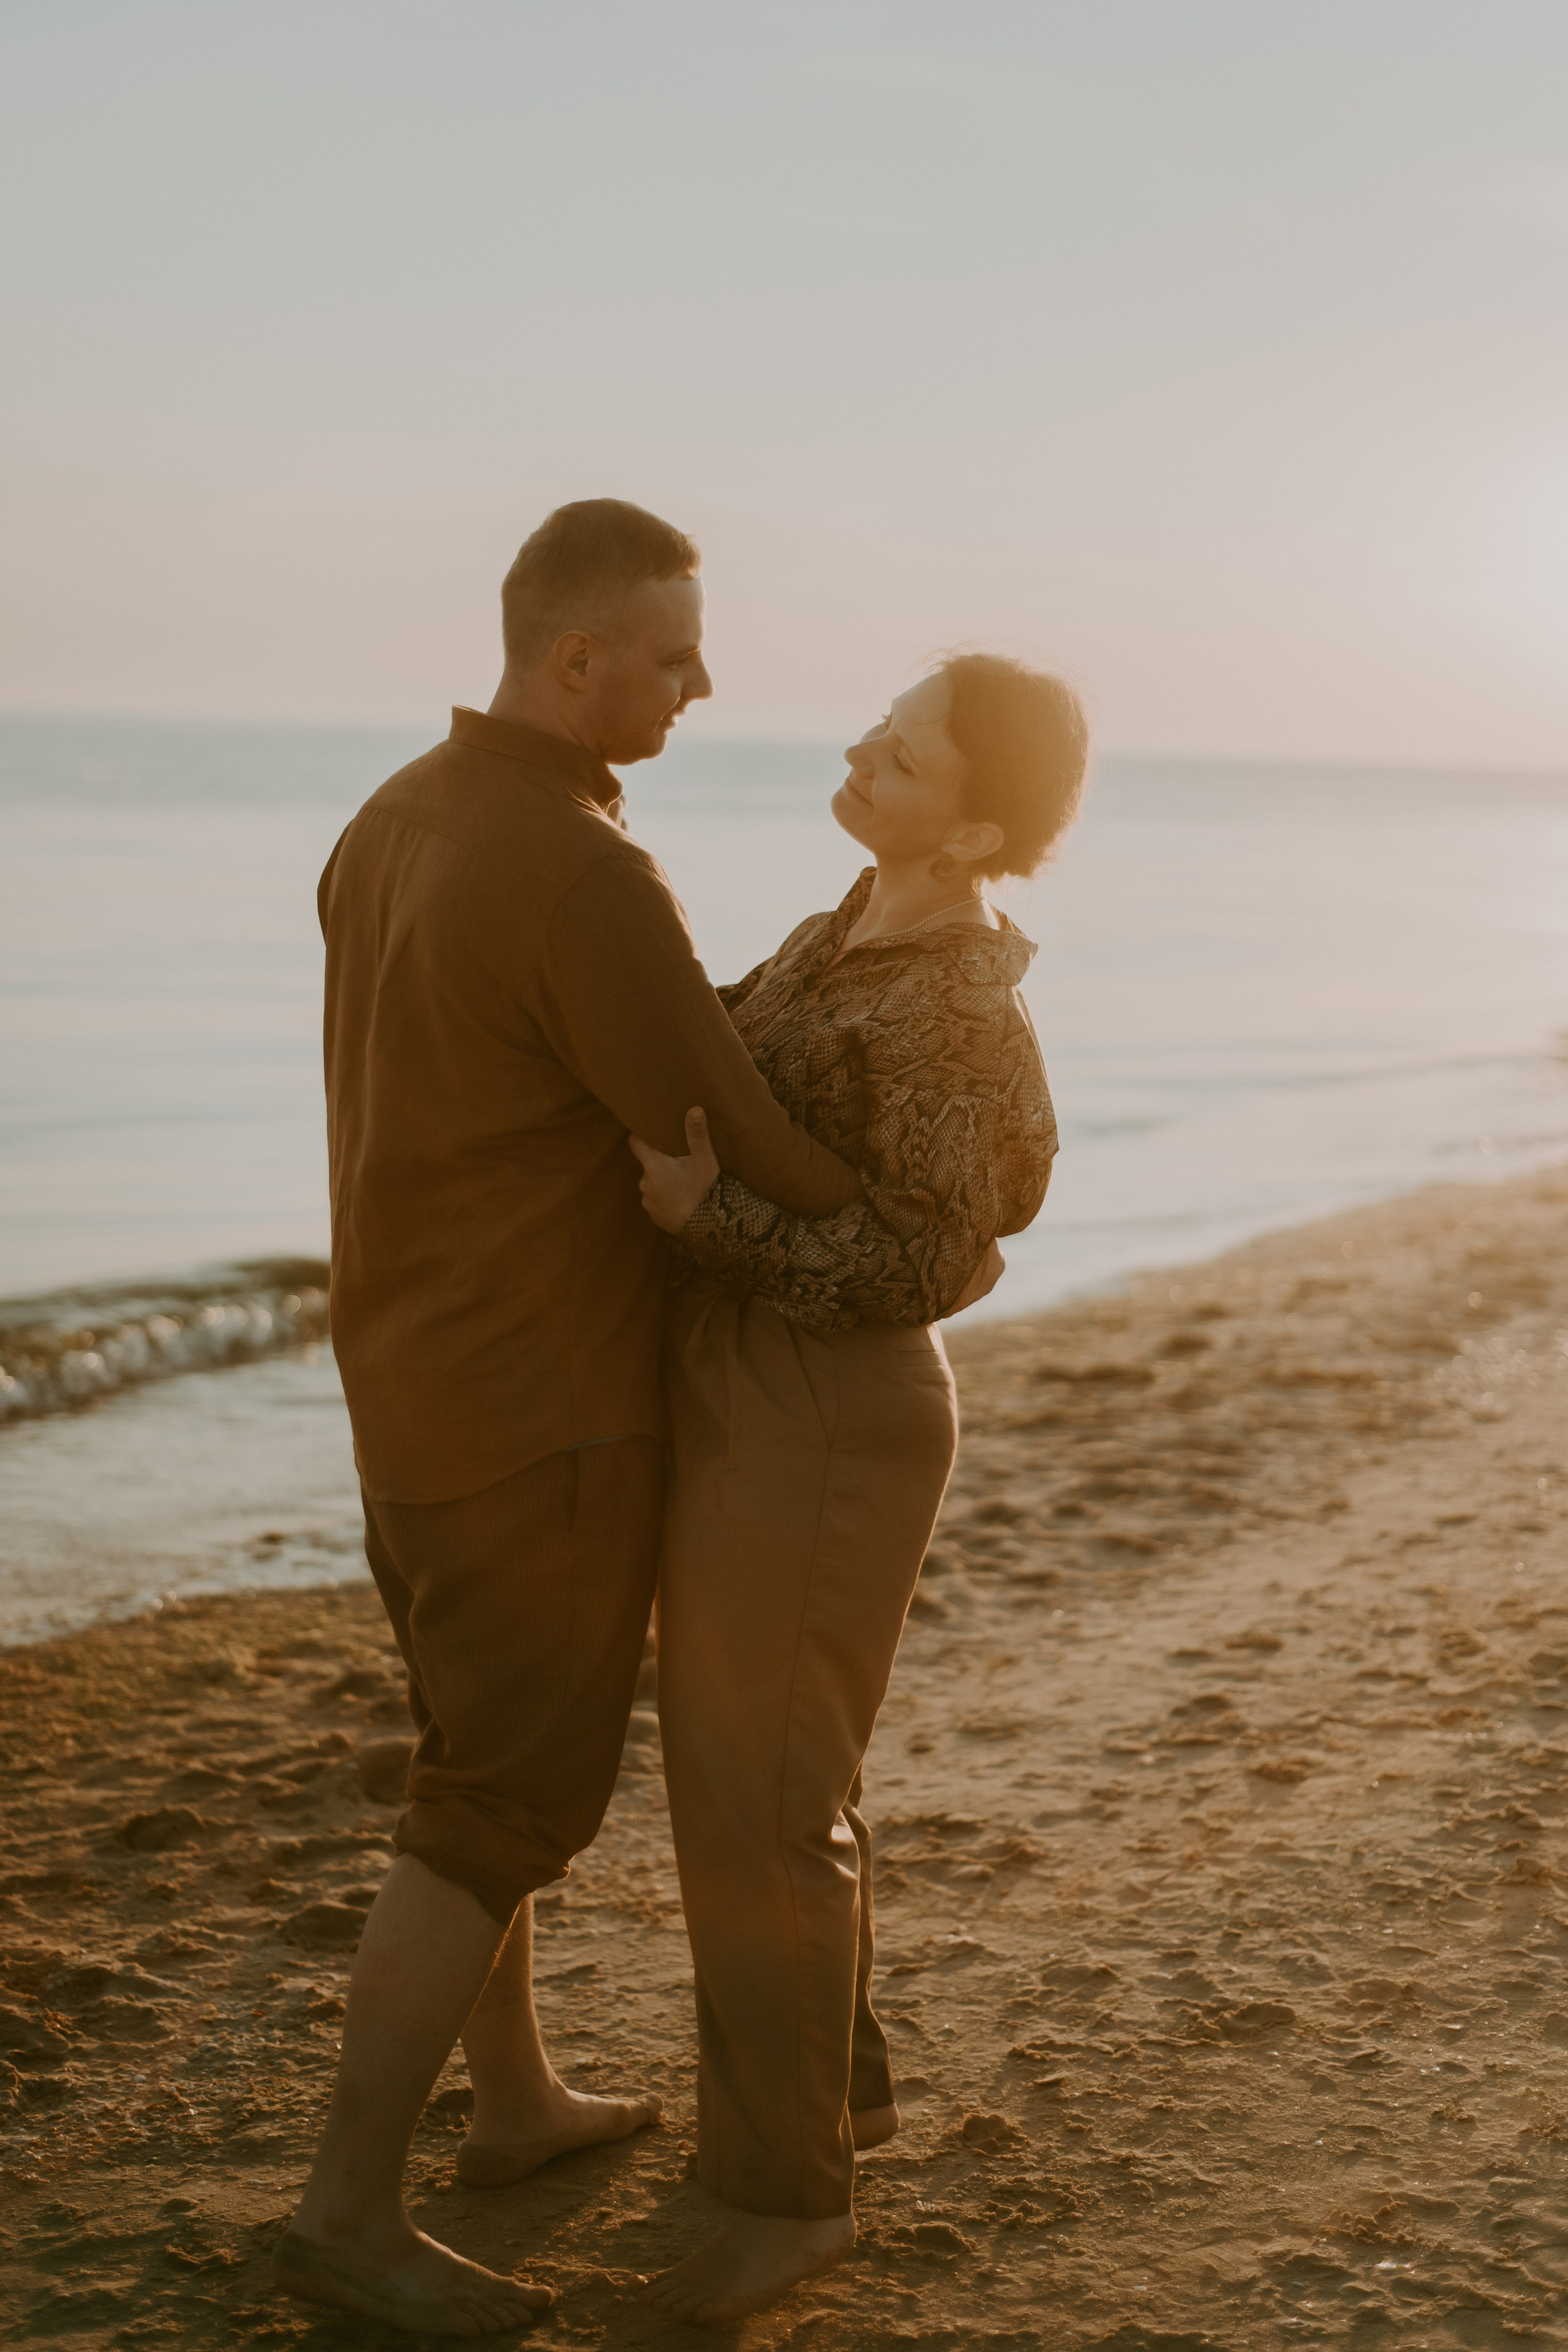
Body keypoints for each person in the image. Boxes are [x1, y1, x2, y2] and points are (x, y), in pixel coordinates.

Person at [274, 500, 872, 2336]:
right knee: (502, 1801)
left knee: (470, 1754)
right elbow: (723, 1133)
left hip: (402, 1385)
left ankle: (515, 2106)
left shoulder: (388, 820)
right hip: (544, 1410)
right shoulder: (581, 873)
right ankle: (343, 2215)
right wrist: (896, 1207)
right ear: (576, 656)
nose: (706, 682)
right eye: (677, 652)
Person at [628, 652, 1088, 2324]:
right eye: (876, 735)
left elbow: (941, 1255)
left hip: (836, 1408)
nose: (858, 755)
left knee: (759, 1797)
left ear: (974, 828)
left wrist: (711, 1230)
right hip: (755, 1384)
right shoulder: (842, 931)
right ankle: (850, 2094)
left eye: (897, 758)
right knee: (764, 1774)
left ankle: (786, 2196)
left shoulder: (962, 1003)